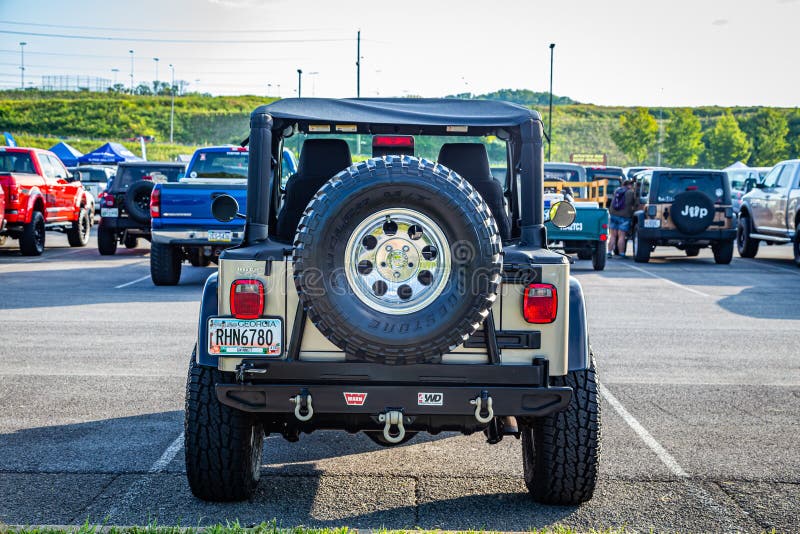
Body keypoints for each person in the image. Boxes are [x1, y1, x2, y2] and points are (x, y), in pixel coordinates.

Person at [608, 178, 637, 258]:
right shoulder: (630, 192)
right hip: (624, 217)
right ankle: (621, 253)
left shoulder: (617, 191)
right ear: (629, 185)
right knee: (621, 236)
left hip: (613, 215)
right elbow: (634, 203)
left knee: (613, 236)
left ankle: (609, 252)